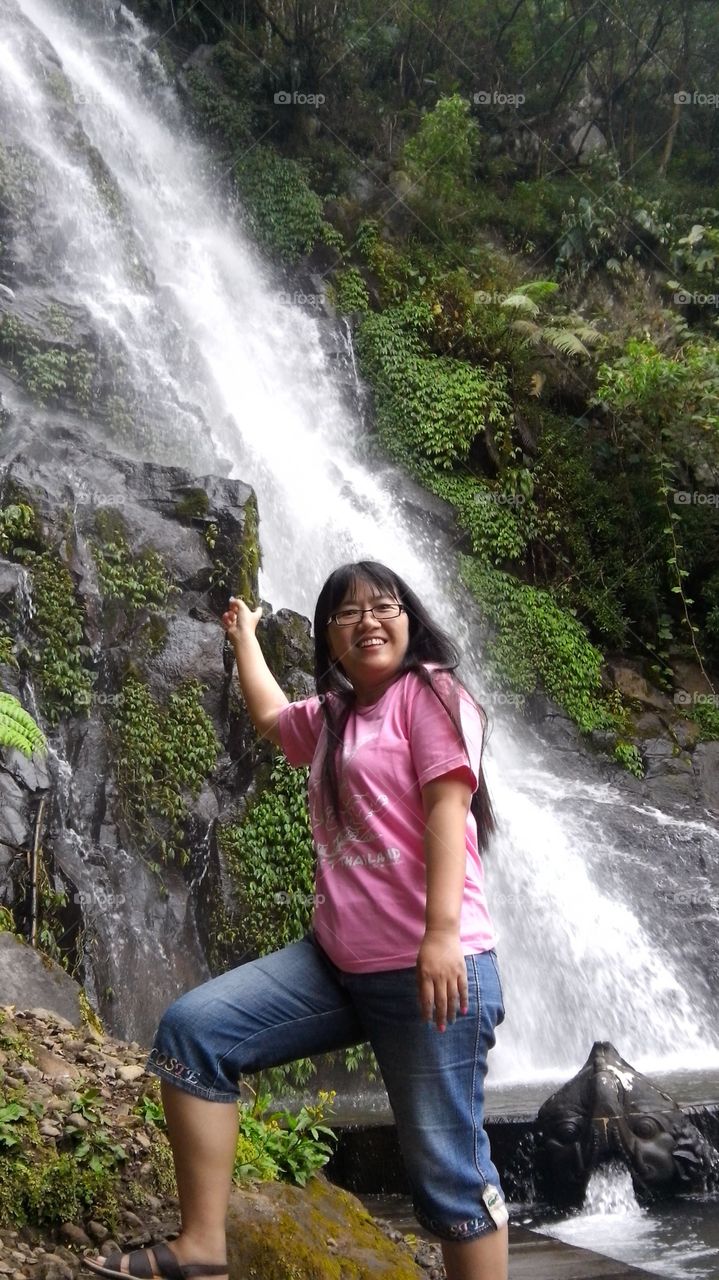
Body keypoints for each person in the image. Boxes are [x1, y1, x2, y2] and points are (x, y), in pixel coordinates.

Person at [83, 560, 508, 1280]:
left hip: (431, 972)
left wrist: (439, 936)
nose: (369, 619)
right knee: (195, 1034)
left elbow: (448, 808)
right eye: (348, 613)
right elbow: (271, 715)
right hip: (336, 965)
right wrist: (244, 634)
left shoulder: (429, 694)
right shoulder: (334, 719)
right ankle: (202, 1248)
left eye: (385, 605)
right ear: (328, 640)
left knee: (450, 1178)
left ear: (409, 620)